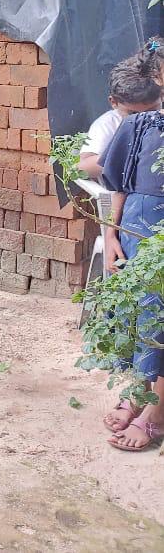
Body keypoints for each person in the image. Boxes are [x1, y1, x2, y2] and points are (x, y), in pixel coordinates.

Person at [98, 101, 164, 451]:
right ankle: (139, 394)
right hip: (136, 234)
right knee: (140, 312)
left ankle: (157, 412)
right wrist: (110, 234)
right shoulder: (141, 125)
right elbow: (118, 184)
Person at [79, 56, 162, 181]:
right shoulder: (108, 124)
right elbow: (83, 168)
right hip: (120, 190)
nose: (144, 120)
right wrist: (129, 154)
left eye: (151, 111)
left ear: (162, 95)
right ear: (114, 102)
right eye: (133, 114)